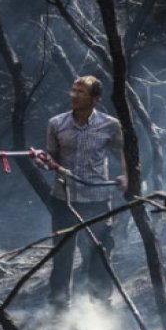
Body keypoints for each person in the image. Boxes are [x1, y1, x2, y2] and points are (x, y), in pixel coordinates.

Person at [39, 75, 127, 310]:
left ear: (95, 99)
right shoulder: (56, 123)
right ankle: (58, 305)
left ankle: (100, 301)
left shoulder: (110, 125)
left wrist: (126, 176)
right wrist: (45, 161)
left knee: (99, 250)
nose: (74, 95)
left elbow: (124, 153)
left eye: (81, 92)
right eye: (73, 90)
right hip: (63, 198)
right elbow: (51, 156)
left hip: (96, 198)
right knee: (62, 253)